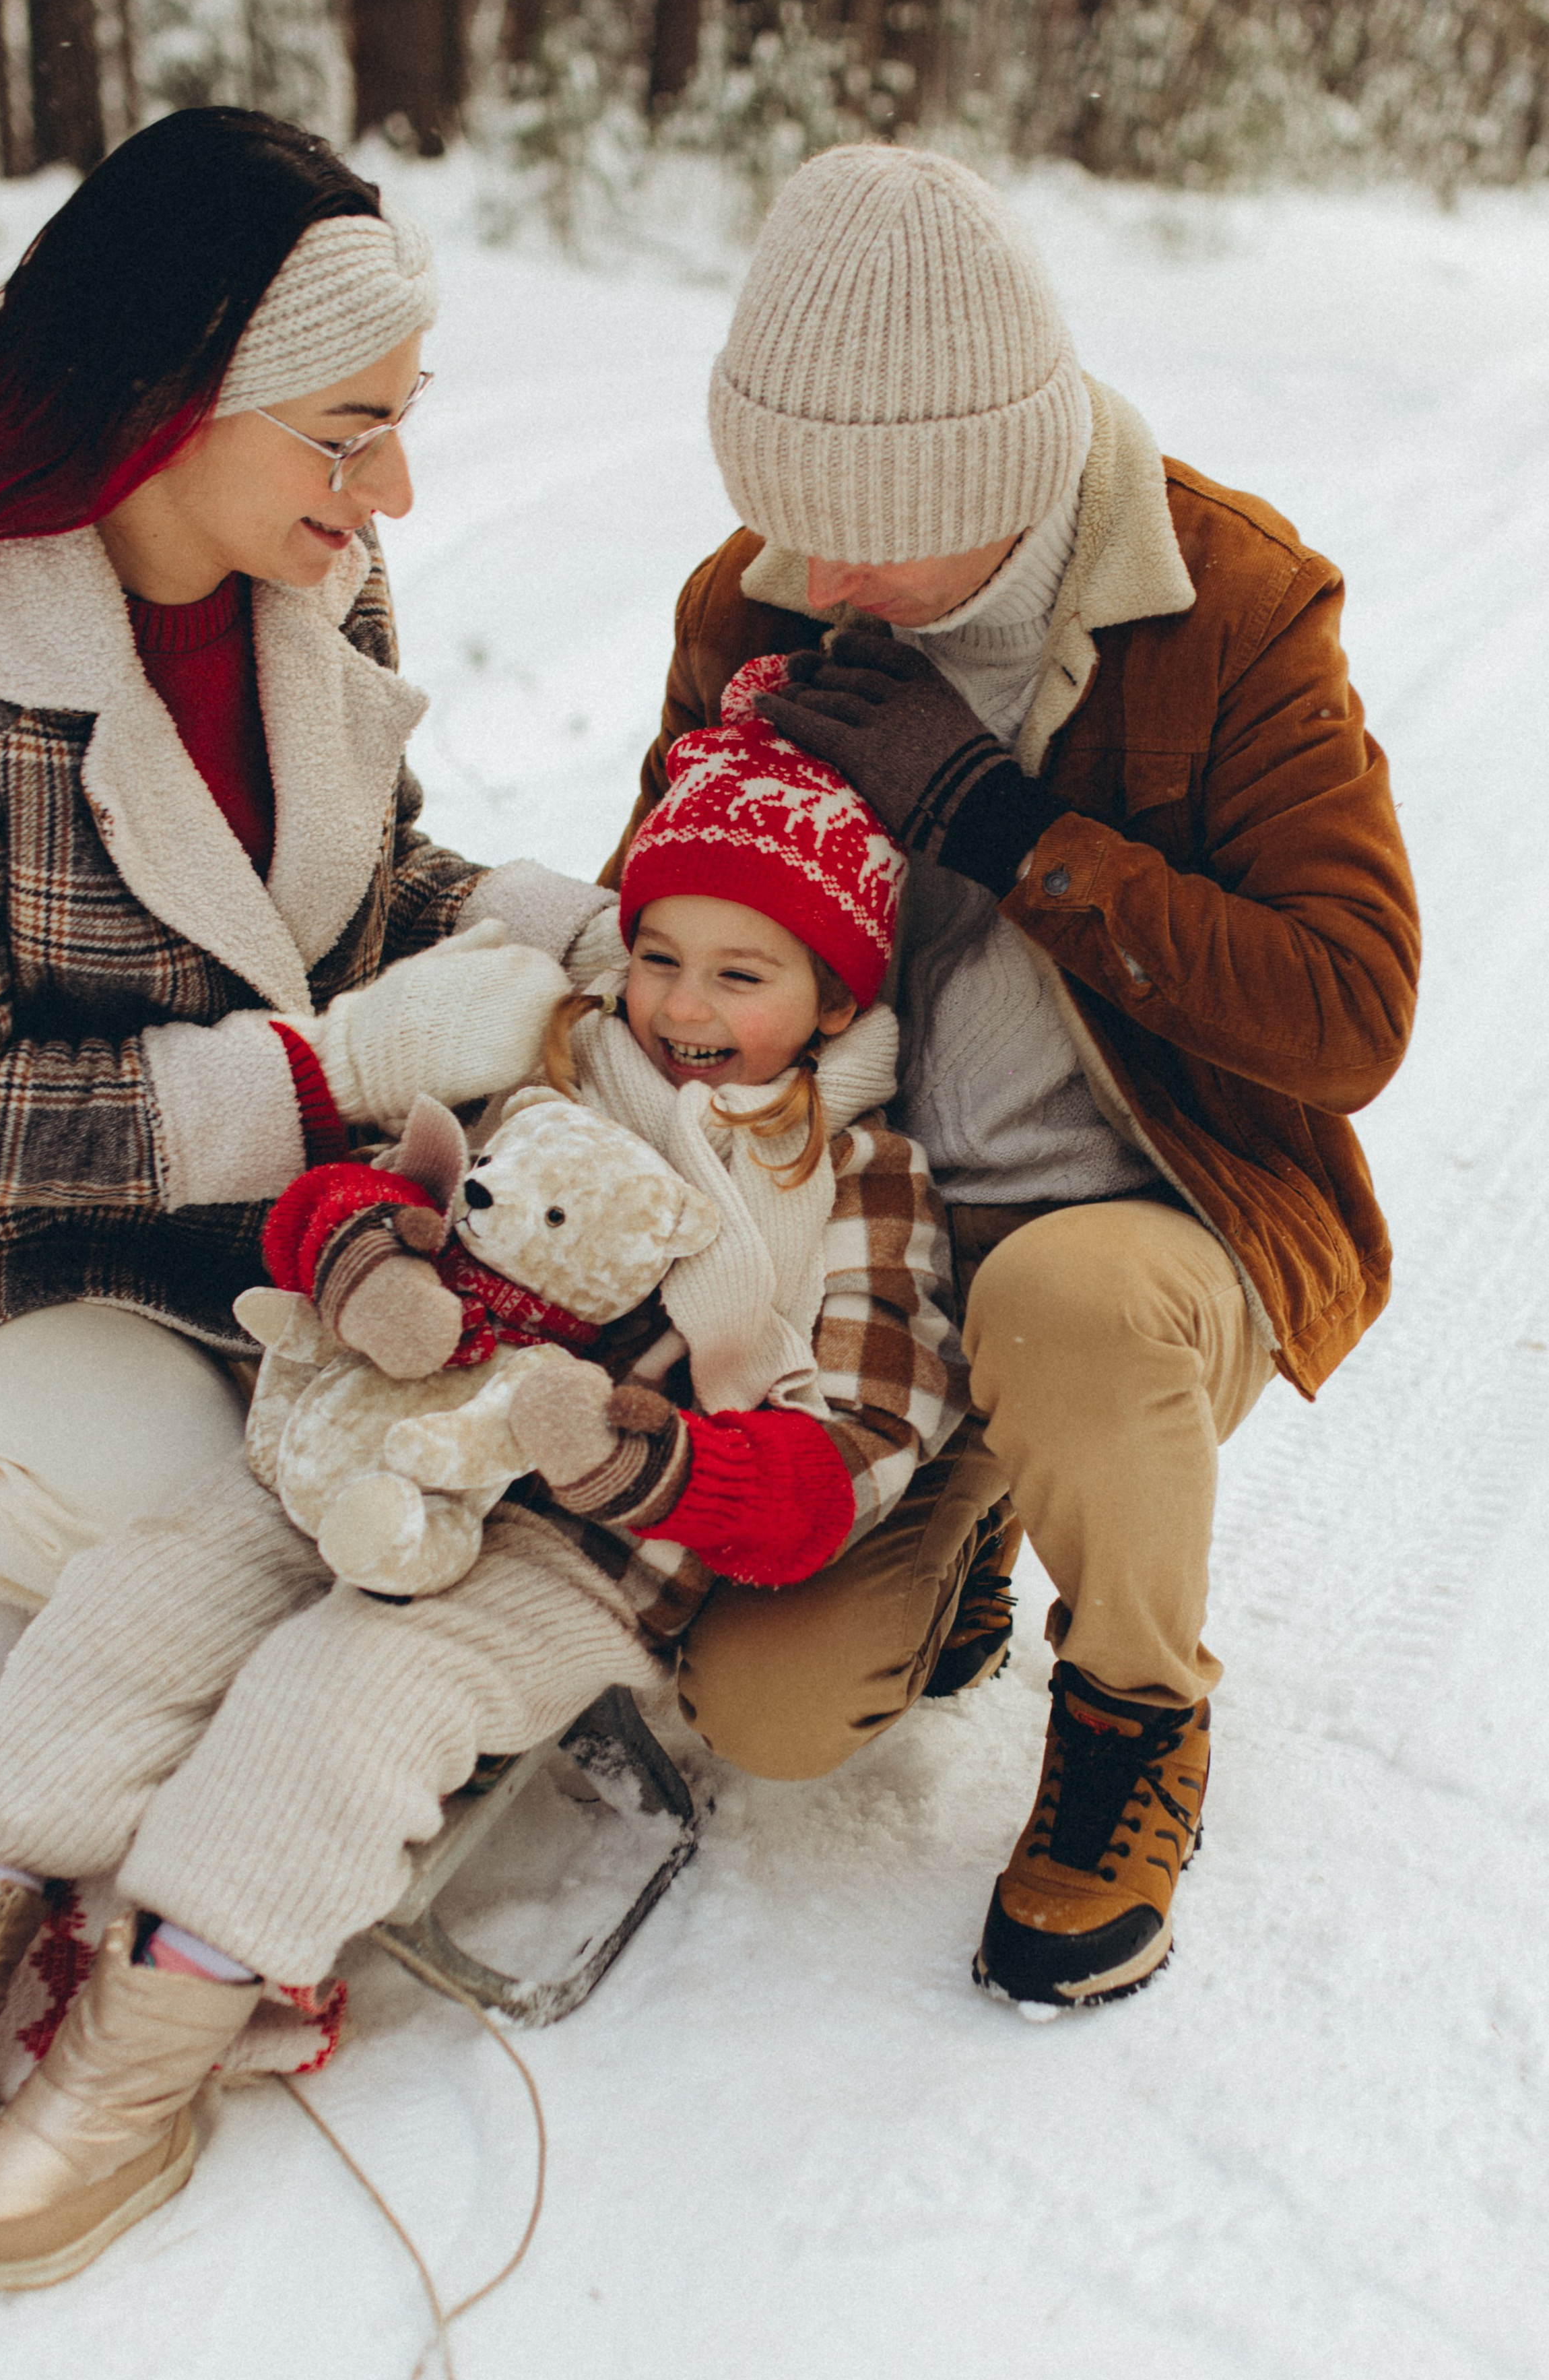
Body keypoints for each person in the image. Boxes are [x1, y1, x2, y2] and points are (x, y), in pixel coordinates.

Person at [0, 682, 964, 2287]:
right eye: (655, 954)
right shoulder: (555, 1077)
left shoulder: (862, 1191)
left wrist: (637, 1452)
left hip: (562, 1557)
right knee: (141, 1601)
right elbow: (349, 1191)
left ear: (836, 1001)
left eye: (740, 972)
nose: (682, 1004)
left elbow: (843, 1466)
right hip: (341, 1461)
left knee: (340, 1696)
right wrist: (364, 1263)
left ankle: (136, 2061)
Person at [607, 143, 1420, 2010]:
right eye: (790, 520)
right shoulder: (762, 594)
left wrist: (1001, 821)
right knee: (771, 1713)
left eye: (877, 531)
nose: (832, 578)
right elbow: (670, 942)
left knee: (1065, 1303)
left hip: (1140, 1236)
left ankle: (1137, 1714)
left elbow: (1352, 1005)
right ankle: (963, 1505)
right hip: (865, 1258)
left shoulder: (1229, 606)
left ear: (999, 470)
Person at [0, 107, 606, 1621]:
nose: (390, 492)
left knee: (468, 1488)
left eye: (403, 416)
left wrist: (587, 942)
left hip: (280, 1224)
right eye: (341, 429)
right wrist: (322, 1076)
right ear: (171, 393)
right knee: (246, 1564)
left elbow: (362, 891)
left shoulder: (312, 579)